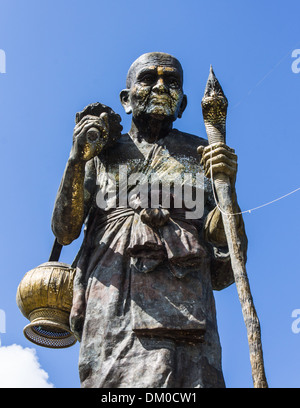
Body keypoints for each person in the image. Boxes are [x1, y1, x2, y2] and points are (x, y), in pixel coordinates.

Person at [51, 52, 247, 388]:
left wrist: (227, 186)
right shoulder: (101, 153)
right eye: (148, 78)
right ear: (126, 100)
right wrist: (75, 160)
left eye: (171, 81)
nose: (160, 86)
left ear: (182, 104)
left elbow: (223, 265)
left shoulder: (203, 153)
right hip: (113, 301)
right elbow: (65, 231)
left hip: (188, 301)